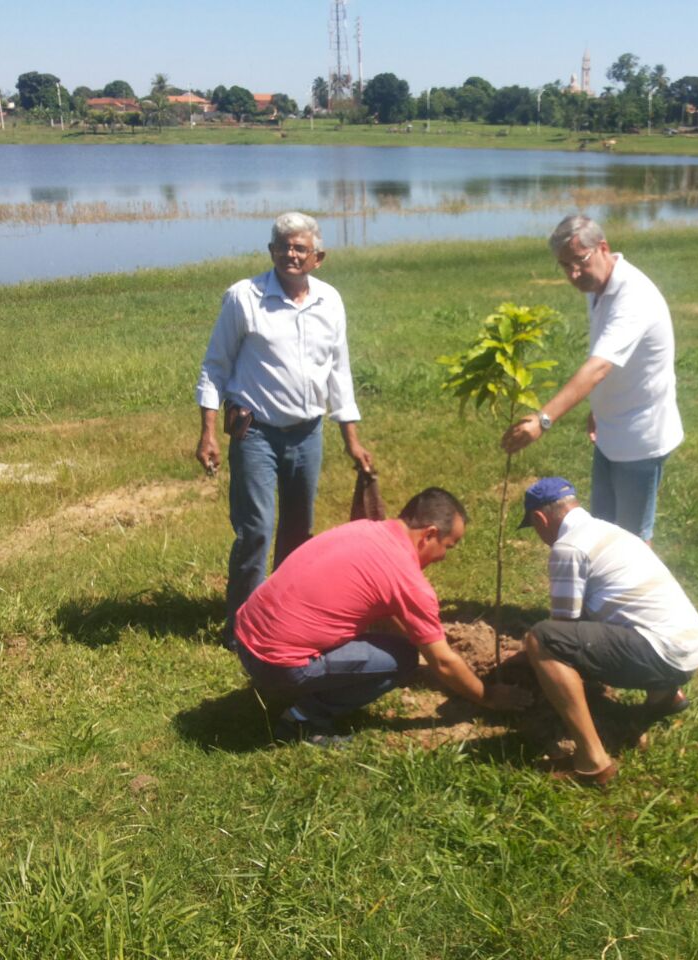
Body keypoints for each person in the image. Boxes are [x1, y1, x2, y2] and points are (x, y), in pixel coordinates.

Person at [234, 487, 530, 745]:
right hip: (273, 664)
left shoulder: (365, 529)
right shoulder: (406, 578)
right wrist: (488, 696)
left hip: (244, 635)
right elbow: (443, 662)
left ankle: (296, 683)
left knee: (388, 636)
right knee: (402, 658)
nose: (444, 557)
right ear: (429, 534)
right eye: (447, 547)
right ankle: (302, 718)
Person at [195, 212, 373, 638]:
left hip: (308, 433)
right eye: (283, 247)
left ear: (318, 257)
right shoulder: (244, 297)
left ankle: (285, 615)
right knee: (255, 529)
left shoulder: (329, 301)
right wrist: (207, 431)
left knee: (299, 531)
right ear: (271, 251)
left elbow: (339, 372)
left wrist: (352, 438)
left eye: (299, 248)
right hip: (255, 431)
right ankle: (241, 625)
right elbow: (215, 367)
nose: (290, 255)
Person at [501, 215, 683, 542]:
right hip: (611, 428)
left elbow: (599, 366)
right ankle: (604, 591)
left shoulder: (632, 297)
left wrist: (543, 419)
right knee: (604, 526)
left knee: (633, 537)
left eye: (579, 261)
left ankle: (633, 593)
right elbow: (612, 358)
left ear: (603, 248)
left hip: (641, 435)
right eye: (564, 265)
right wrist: (599, 408)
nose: (573, 274)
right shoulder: (598, 286)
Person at [519, 477, 698, 785]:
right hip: (689, 648)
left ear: (540, 519)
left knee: (542, 638)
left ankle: (592, 761)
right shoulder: (611, 531)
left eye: (535, 528)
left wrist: (528, 658)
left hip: (659, 653)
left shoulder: (569, 548)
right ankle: (665, 695)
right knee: (604, 611)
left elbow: (562, 628)